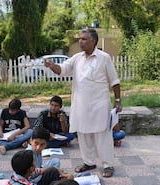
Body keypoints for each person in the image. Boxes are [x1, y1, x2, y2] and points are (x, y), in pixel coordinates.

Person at [44, 28, 122, 178]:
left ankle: (108, 165)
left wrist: (117, 100)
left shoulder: (104, 58)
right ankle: (89, 162)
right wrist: (52, 65)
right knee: (83, 134)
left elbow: (114, 80)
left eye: (84, 39)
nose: (80, 41)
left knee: (103, 136)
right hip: (81, 105)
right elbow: (62, 69)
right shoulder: (77, 58)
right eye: (80, 38)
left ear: (93, 41)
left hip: (99, 105)